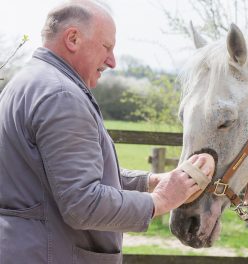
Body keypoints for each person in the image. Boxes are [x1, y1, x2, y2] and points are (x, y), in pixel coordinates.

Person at [0, 1, 214, 263]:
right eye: (107, 47)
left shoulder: (26, 83)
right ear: (73, 38)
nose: (112, 61)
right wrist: (159, 201)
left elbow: (62, 175)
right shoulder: (62, 96)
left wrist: (148, 182)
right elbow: (83, 203)